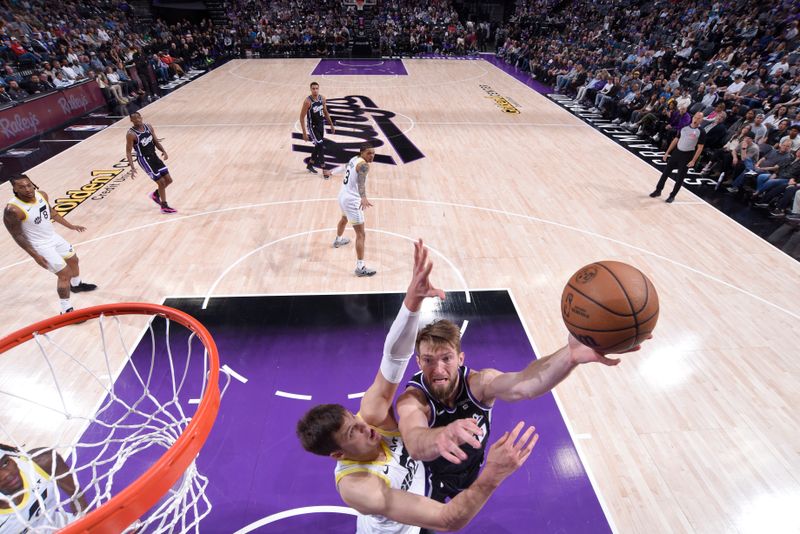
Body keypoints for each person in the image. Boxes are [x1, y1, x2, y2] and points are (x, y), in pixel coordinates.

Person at [297, 240, 538, 533]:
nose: (363, 426)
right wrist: (493, 474)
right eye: (352, 432)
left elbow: (394, 357)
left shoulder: (371, 419)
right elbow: (449, 520)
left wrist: (412, 303)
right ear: (339, 454)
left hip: (428, 490)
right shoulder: (359, 486)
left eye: (353, 419)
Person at [395, 314, 646, 506]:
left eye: (446, 358)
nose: (438, 369)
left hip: (469, 469)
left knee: (464, 505)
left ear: (460, 359)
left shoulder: (480, 384)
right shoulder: (413, 399)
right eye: (428, 360)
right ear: (418, 362)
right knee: (432, 524)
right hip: (425, 478)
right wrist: (441, 436)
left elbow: (524, 384)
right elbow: (415, 442)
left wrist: (570, 355)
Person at [3, 174, 97, 314]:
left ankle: (76, 285)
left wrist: (71, 226)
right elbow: (17, 235)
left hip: (53, 237)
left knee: (73, 259)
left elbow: (52, 213)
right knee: (64, 275)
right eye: (22, 187)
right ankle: (66, 310)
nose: (28, 189)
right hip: (40, 246)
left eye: (29, 185)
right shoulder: (13, 210)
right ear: (15, 189)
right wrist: (35, 255)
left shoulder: (42, 195)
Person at [0, 443, 87, 530]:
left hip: (65, 527)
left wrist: (81, 509)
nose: (7, 474)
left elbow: (77, 495)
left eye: (5, 463)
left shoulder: (41, 463)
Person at [336, 143, 376, 277]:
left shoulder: (354, 159)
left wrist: (331, 171)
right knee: (361, 235)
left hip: (342, 195)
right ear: (362, 152)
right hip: (352, 200)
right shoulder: (364, 165)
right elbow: (361, 182)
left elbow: (344, 167)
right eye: (369, 153)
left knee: (344, 218)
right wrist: (363, 197)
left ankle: (338, 240)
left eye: (373, 153)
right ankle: (360, 268)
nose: (372, 156)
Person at [125, 112, 177, 214]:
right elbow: (128, 151)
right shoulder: (131, 134)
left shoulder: (148, 126)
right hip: (144, 160)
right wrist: (132, 167)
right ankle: (164, 206)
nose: (137, 120)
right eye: (134, 119)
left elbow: (156, 141)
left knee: (169, 180)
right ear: (131, 121)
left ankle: (155, 194)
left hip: (154, 156)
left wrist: (163, 151)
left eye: (138, 118)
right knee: (161, 182)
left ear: (141, 117)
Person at [649, 111, 706, 203]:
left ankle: (672, 195)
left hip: (687, 155)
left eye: (699, 118)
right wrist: (667, 152)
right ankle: (658, 190)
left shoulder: (701, 132)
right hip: (677, 152)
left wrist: (693, 160)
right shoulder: (684, 128)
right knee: (665, 172)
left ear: (701, 120)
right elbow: (676, 140)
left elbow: (700, 148)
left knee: (680, 178)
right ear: (693, 117)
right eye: (696, 117)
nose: (696, 119)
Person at [300, 81, 335, 177]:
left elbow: (326, 112)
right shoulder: (308, 101)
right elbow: (301, 117)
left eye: (316, 88)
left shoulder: (322, 98)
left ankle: (310, 164)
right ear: (310, 89)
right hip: (312, 127)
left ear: (318, 89)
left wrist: (331, 124)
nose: (315, 90)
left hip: (321, 125)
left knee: (318, 145)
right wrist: (304, 133)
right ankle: (324, 168)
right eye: (313, 88)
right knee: (320, 145)